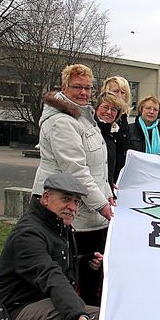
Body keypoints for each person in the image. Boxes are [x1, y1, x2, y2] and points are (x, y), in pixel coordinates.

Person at [0, 173, 101, 320]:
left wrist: (84, 263)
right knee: (62, 315)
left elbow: (57, 266)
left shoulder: (57, 225)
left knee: (105, 319)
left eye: (76, 202)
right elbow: (50, 275)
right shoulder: (28, 234)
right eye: (66, 199)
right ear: (45, 198)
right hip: (13, 313)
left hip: (43, 305)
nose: (72, 207)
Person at [32, 64, 113, 306]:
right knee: (68, 272)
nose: (83, 93)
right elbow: (75, 170)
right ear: (64, 87)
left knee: (91, 270)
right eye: (77, 87)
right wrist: (102, 205)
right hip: (67, 210)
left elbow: (100, 167)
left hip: (90, 211)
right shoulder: (62, 122)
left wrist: (107, 196)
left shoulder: (84, 117)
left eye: (88, 87)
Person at [94, 91, 126, 195]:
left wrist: (109, 181)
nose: (109, 112)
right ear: (97, 108)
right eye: (105, 107)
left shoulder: (111, 135)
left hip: (105, 192)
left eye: (113, 109)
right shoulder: (89, 131)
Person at [101, 76, 132, 182]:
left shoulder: (124, 119)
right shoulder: (102, 116)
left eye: (122, 92)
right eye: (115, 91)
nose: (119, 95)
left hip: (119, 176)